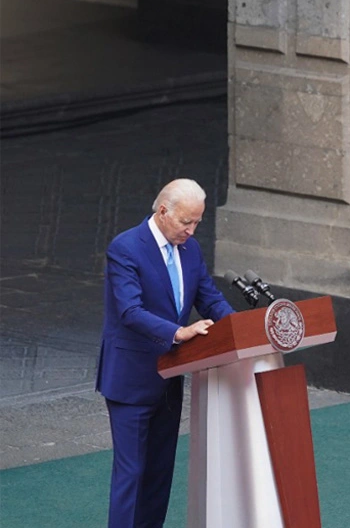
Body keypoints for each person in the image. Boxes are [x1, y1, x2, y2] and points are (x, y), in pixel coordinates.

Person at [96, 179, 235, 526]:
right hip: (131, 379)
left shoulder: (190, 249)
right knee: (131, 473)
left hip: (169, 378)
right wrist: (178, 332)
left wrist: (241, 328)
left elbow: (210, 299)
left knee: (159, 473)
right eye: (186, 222)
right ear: (162, 212)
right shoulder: (126, 248)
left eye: (197, 222)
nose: (192, 230)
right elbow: (129, 311)